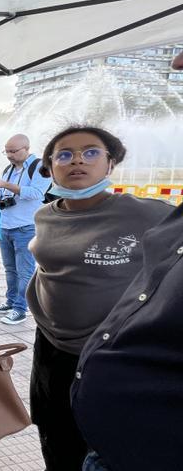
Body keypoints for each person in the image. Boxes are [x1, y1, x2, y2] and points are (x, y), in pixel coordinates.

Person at [23, 127, 172, 470]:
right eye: (64, 154)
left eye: (91, 152)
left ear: (111, 163)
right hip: (51, 351)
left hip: (110, 355)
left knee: (103, 446)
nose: (76, 160)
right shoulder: (45, 215)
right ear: (49, 167)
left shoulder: (146, 214)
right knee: (57, 438)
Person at [0, 134, 52, 325]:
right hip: (6, 225)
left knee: (25, 271)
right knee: (10, 269)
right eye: (6, 151)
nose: (9, 155)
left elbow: (37, 193)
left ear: (26, 148)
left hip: (26, 227)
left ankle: (20, 309)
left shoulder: (40, 167)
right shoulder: (9, 169)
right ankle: (10, 302)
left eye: (13, 151)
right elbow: (5, 195)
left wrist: (5, 184)